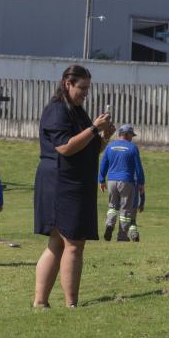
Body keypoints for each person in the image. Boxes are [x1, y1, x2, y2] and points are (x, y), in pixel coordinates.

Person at [33, 65, 114, 309]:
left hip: (75, 182)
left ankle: (41, 303)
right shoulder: (57, 111)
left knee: (59, 242)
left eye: (87, 89)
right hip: (60, 182)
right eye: (82, 88)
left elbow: (89, 147)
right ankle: (70, 304)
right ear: (67, 84)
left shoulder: (77, 110)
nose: (85, 93)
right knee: (73, 243)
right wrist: (93, 128)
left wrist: (104, 136)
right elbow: (65, 147)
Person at [99, 124, 146, 242]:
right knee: (125, 209)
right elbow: (138, 167)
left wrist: (101, 180)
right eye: (131, 135)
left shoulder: (110, 146)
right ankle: (122, 236)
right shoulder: (132, 148)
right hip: (127, 181)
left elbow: (103, 163)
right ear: (127, 134)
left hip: (111, 181)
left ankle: (109, 224)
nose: (132, 138)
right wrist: (141, 182)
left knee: (112, 206)